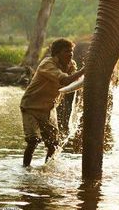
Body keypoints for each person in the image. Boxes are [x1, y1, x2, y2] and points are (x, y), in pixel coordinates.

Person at [20, 38, 85, 166]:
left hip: (49, 109)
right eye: (67, 51)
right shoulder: (47, 64)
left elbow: (75, 81)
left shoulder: (71, 65)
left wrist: (84, 74)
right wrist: (84, 70)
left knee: (53, 144)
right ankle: (25, 170)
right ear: (57, 53)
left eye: (71, 51)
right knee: (33, 140)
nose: (71, 54)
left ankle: (46, 169)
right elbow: (65, 81)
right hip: (31, 107)